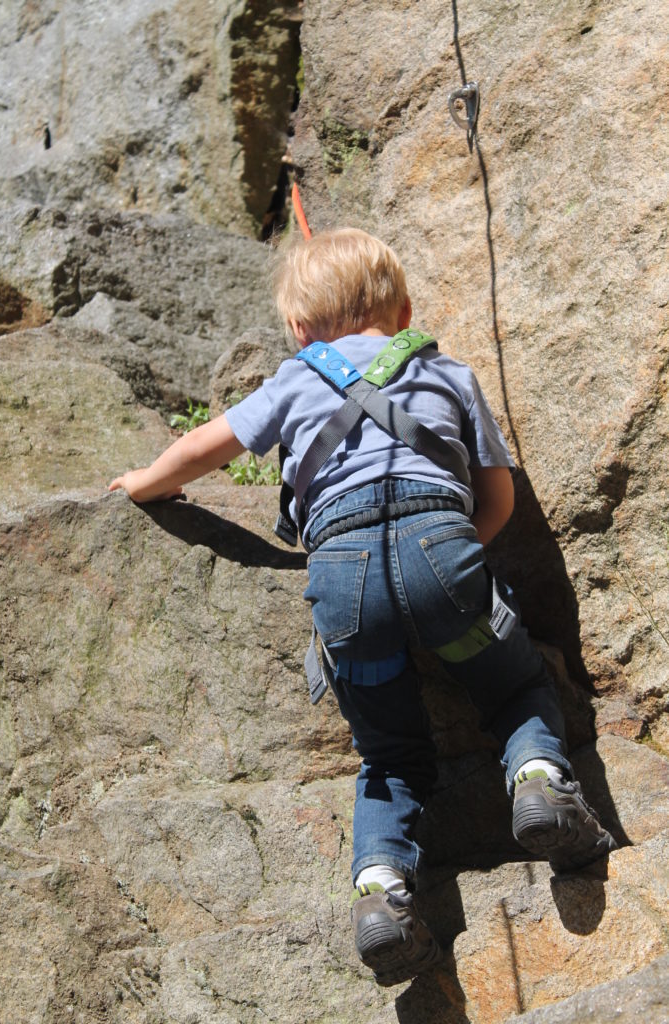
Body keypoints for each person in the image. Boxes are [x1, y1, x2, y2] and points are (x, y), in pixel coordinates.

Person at [109, 227, 616, 987]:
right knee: (513, 690)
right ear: (404, 308)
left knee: (390, 757)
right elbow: (499, 495)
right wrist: (452, 558)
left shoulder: (292, 380)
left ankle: (381, 892)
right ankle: (541, 782)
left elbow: (205, 449)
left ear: (298, 330)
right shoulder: (449, 372)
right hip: (443, 548)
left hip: (342, 578)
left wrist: (145, 482)